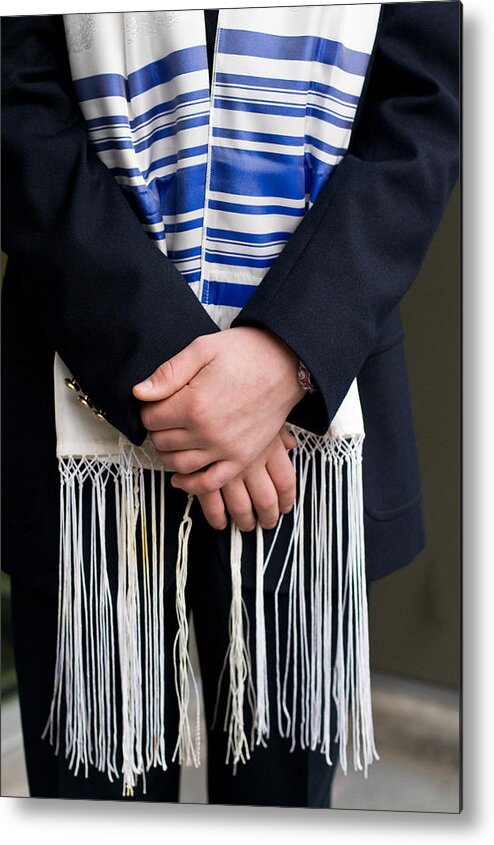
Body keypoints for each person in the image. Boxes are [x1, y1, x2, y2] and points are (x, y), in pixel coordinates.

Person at [1, 3, 459, 807]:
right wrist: (175, 372)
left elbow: (423, 107)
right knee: (91, 807)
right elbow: (14, 91)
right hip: (83, 421)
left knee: (283, 807)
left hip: (305, 449)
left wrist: (287, 352)